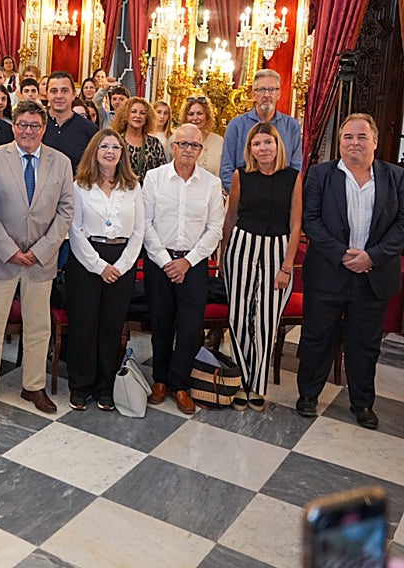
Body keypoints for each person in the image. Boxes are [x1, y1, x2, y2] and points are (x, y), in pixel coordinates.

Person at [296, 113, 404, 430]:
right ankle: (307, 396)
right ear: (340, 142)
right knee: (317, 338)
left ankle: (362, 404)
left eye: (360, 137)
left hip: (373, 275)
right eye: (347, 137)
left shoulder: (396, 177)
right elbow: (310, 220)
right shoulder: (320, 175)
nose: (354, 143)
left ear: (374, 141)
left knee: (365, 344)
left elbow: (401, 225)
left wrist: (372, 256)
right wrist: (343, 255)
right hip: (329, 273)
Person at [0, 100, 75, 414]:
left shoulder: (61, 162)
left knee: (39, 326)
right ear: (14, 126)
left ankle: (34, 387)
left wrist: (41, 251)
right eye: (23, 125)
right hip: (2, 258)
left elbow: (66, 211)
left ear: (44, 128)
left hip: (41, 262)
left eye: (35, 125)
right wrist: (10, 250)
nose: (28, 131)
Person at [142, 124, 225, 415]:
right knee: (161, 324)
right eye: (183, 144)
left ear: (201, 151)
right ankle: (160, 380)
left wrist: (187, 261)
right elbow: (145, 223)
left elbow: (215, 229)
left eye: (194, 145)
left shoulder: (212, 184)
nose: (188, 149)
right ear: (172, 147)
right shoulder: (153, 179)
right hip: (159, 263)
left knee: (190, 328)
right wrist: (166, 261)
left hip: (194, 264)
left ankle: (180, 384)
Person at [222, 123, 302, 412]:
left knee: (266, 321)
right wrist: (223, 257)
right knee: (240, 317)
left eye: (268, 142)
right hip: (241, 248)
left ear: (278, 145)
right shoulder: (241, 175)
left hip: (278, 251)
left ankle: (257, 385)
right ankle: (241, 381)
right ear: (250, 149)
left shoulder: (293, 177)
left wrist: (287, 266)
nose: (263, 148)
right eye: (257, 144)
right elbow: (230, 217)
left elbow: (296, 224)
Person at [65, 129, 145, 411]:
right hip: (86, 260)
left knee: (111, 328)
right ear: (94, 152)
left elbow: (139, 231)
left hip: (122, 261)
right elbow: (74, 230)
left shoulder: (133, 187)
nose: (110, 152)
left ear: (122, 154)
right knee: (84, 325)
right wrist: (99, 266)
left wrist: (121, 266)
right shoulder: (80, 185)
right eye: (104, 147)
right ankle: (80, 385)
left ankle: (105, 387)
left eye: (115, 147)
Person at [220, 69, 303, 194]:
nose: (267, 95)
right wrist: (243, 197)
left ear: (279, 94)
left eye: (272, 90)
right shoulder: (236, 125)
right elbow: (226, 169)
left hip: (280, 200)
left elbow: (295, 168)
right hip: (245, 203)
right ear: (253, 94)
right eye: (262, 90)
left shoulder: (292, 126)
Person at [43, 71, 97, 169]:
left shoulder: (89, 129)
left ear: (74, 94)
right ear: (47, 94)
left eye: (64, 91)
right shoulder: (35, 126)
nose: (59, 96)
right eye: (54, 91)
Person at [111, 96, 166, 182]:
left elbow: (162, 172)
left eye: (142, 113)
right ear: (125, 115)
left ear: (147, 118)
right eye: (133, 112)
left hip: (147, 192)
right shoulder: (115, 141)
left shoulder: (155, 143)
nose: (138, 116)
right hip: (120, 191)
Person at [182, 96, 224, 178]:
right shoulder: (175, 139)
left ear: (207, 116)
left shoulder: (219, 142)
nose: (195, 118)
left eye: (199, 113)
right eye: (191, 114)